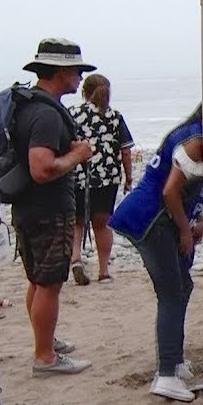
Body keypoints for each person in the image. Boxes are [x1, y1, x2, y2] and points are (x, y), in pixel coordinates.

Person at [109, 86, 203, 402]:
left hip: (161, 217)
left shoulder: (201, 135)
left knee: (183, 286)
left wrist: (197, 219)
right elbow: (170, 191)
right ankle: (166, 373)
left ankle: (174, 361)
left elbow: (202, 184)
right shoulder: (197, 141)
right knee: (171, 292)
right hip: (150, 219)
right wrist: (183, 229)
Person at [10, 39, 96, 375]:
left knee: (37, 279)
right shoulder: (46, 114)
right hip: (48, 209)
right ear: (61, 71)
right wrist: (77, 154)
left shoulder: (28, 107)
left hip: (28, 207)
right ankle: (45, 356)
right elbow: (41, 168)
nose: (79, 77)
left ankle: (45, 341)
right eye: (76, 70)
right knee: (49, 282)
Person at [68, 73, 134, 286]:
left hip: (78, 174)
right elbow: (125, 150)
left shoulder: (73, 114)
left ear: (84, 92)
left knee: (77, 221)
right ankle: (103, 271)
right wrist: (128, 178)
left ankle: (76, 258)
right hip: (107, 177)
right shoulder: (114, 116)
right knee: (102, 224)